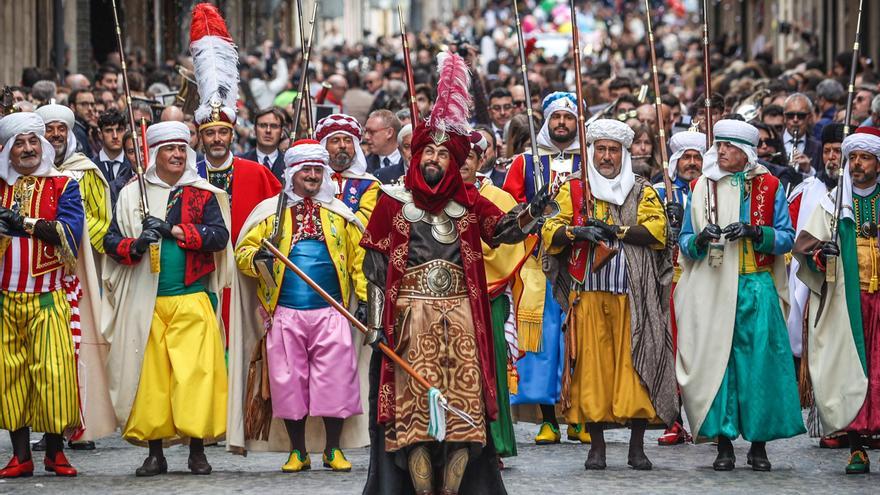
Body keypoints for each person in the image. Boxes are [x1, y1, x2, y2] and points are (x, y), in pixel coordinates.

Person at [360, 51, 542, 495]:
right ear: (417, 154)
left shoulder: (470, 201)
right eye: (429, 151)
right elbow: (375, 265)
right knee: (415, 418)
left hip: (461, 317)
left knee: (463, 418)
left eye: (444, 153)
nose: (435, 159)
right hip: (410, 319)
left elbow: (501, 231)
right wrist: (377, 325)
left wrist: (532, 213)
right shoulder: (390, 201)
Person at [542, 119, 678, 470]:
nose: (606, 156)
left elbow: (657, 229)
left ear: (623, 154)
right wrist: (576, 231)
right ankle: (597, 446)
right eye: (600, 149)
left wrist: (615, 230)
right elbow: (550, 229)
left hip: (631, 294)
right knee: (591, 371)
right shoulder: (574, 189)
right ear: (592, 152)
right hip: (587, 294)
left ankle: (636, 446)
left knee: (635, 367)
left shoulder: (641, 190)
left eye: (613, 150)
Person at [102, 121, 231, 476]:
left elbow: (219, 237)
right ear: (155, 154)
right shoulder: (132, 194)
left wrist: (174, 230)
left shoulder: (202, 193)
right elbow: (110, 243)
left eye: (181, 149)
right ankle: (155, 452)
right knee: (152, 381)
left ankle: (197, 450)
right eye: (168, 149)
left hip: (192, 298)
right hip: (148, 302)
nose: (176, 155)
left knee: (195, 377)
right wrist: (137, 244)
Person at [676, 119, 805, 472]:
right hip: (716, 288)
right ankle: (723, 444)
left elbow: (786, 237)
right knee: (721, 365)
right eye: (718, 146)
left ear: (745, 152)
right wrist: (700, 240)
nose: (720, 152)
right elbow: (685, 241)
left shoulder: (770, 185)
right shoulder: (701, 187)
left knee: (760, 366)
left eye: (727, 147)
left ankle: (759, 445)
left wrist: (754, 231)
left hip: (756, 286)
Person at [235, 139, 366, 473]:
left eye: (317, 170)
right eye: (305, 169)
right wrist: (258, 257)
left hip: (332, 311)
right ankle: (298, 451)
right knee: (289, 382)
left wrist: (364, 300)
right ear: (292, 173)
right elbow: (243, 253)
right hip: (285, 312)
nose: (311, 175)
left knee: (334, 379)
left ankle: (333, 450)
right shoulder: (271, 213)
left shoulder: (340, 215)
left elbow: (357, 261)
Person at [0, 112, 85, 478]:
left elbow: (71, 233)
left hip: (47, 297)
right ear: (7, 150)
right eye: (19, 142)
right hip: (4, 300)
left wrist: (26, 224)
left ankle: (55, 451)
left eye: (33, 141)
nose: (28, 148)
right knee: (9, 376)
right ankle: (21, 455)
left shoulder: (64, 185)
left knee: (54, 373)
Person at [792, 126, 880, 475]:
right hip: (850, 303)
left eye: (865, 158)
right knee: (851, 373)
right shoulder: (833, 202)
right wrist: (822, 252)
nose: (857, 165)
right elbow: (803, 247)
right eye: (853, 158)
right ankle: (857, 446)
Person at [503, 92, 585, 445]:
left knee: (579, 340)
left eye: (568, 118)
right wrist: (530, 212)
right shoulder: (526, 162)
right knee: (547, 341)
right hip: (538, 262)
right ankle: (548, 418)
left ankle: (580, 416)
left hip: (580, 259)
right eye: (556, 118)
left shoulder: (590, 159)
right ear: (547, 122)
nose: (562, 124)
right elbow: (509, 209)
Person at [460, 130, 528, 464]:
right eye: (455, 158)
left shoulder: (497, 197)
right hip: (448, 296)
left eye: (469, 158)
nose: (462, 165)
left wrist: (530, 216)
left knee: (493, 367)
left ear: (480, 159)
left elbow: (508, 235)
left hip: (490, 294)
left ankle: (495, 443)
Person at [652, 129, 706, 447]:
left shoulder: (713, 192)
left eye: (697, 157)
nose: (691, 163)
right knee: (671, 350)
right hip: (670, 279)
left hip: (704, 278)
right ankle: (673, 419)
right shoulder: (661, 193)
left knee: (701, 349)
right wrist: (668, 225)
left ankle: (705, 417)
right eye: (686, 157)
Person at [316, 113, 380, 226]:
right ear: (324, 147)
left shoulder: (369, 184)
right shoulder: (314, 181)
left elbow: (364, 225)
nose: (343, 145)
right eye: (335, 141)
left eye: (347, 140)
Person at [92, 108, 133, 201]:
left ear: (126, 132)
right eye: (109, 130)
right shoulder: (90, 166)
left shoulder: (133, 164)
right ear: (100, 134)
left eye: (119, 130)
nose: (115, 136)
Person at [237, 107, 287, 182]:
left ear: (282, 132)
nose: (268, 130)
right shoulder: (239, 162)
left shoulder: (288, 164)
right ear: (254, 130)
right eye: (263, 125)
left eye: (274, 126)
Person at [782, 93, 822, 177]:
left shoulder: (818, 147)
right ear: (784, 117)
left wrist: (809, 170)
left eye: (801, 116)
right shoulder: (774, 142)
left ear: (810, 117)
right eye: (790, 115)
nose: (795, 120)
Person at [364, 110, 403, 174]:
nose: (366, 137)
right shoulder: (364, 165)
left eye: (371, 132)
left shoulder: (409, 160)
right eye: (365, 132)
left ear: (389, 132)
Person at [69, 88, 100, 159]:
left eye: (92, 104)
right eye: (84, 104)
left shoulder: (85, 129)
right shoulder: (75, 132)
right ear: (72, 107)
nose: (90, 108)